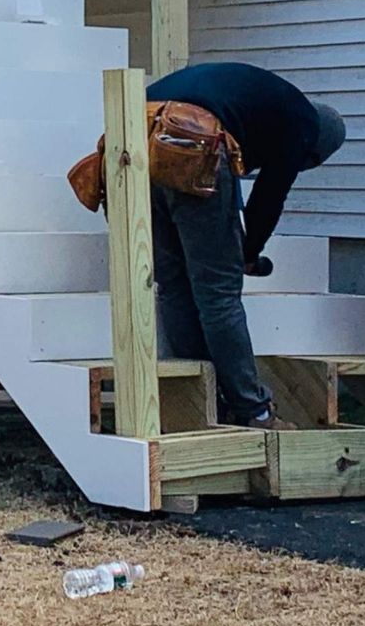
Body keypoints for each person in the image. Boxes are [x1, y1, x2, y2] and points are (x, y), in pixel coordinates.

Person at [143, 61, 346, 429]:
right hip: (193, 140)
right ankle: (254, 411)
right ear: (313, 153)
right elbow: (268, 198)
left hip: (137, 135)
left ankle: (198, 404)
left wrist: (242, 248)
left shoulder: (257, 105)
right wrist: (246, 255)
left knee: (174, 284)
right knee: (218, 294)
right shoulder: (302, 124)